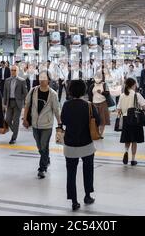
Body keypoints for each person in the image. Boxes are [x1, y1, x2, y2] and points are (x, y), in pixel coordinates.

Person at [61, 80, 100, 211]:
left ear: (70, 91)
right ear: (84, 91)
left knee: (70, 173)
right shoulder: (89, 105)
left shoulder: (66, 105)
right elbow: (98, 121)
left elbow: (64, 121)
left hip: (70, 144)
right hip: (86, 144)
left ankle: (73, 201)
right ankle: (87, 196)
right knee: (88, 171)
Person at [23, 71, 61, 179]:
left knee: (44, 145)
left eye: (44, 78)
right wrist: (25, 118)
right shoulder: (33, 91)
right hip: (35, 123)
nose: (42, 80)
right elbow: (27, 105)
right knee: (40, 147)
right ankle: (46, 159)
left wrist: (59, 122)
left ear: (48, 79)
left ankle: (42, 168)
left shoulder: (53, 94)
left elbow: (56, 109)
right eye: (40, 78)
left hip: (47, 124)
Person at [117, 78, 145, 166]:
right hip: (135, 119)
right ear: (133, 85)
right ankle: (133, 159)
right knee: (134, 140)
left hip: (126, 119)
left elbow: (118, 109)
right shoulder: (136, 95)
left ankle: (126, 152)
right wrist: (144, 110)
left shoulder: (122, 95)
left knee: (127, 139)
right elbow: (144, 106)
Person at [3, 65, 28, 144]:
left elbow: (25, 93)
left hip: (18, 103)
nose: (13, 72)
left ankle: (14, 138)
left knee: (16, 121)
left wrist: (24, 103)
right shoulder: (7, 80)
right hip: (9, 102)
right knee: (7, 120)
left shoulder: (22, 81)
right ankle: (15, 131)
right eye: (12, 70)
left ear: (17, 71)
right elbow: (5, 92)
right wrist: (4, 103)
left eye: (14, 70)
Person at [88, 73, 110, 138]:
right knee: (94, 120)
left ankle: (101, 134)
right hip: (94, 104)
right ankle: (96, 132)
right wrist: (90, 103)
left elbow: (108, 94)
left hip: (103, 103)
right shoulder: (92, 85)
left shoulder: (105, 85)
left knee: (103, 120)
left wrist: (102, 92)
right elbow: (90, 95)